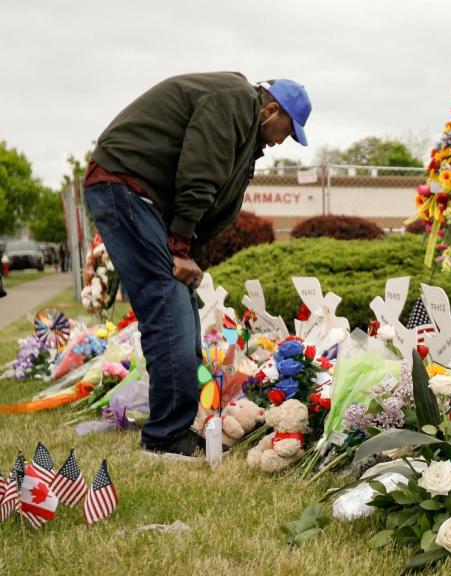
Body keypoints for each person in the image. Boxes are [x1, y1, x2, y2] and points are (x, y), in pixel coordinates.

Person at [82, 72, 311, 459]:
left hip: (141, 197)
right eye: (286, 131)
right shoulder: (235, 100)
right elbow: (200, 170)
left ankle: (175, 426)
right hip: (125, 184)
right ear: (270, 110)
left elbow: (216, 203)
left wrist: (191, 256)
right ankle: (165, 438)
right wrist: (181, 246)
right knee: (168, 308)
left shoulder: (245, 130)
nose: (282, 141)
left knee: (180, 308)